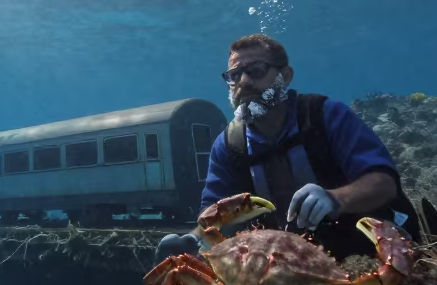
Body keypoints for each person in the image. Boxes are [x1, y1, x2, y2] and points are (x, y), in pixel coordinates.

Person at [158, 33, 422, 262]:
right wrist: (191, 242)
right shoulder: (228, 144)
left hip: (364, 255)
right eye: (234, 75)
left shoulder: (325, 115)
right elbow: (213, 216)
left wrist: (336, 199)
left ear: (285, 75)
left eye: (256, 71)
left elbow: (384, 183)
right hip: (284, 267)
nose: (243, 82)